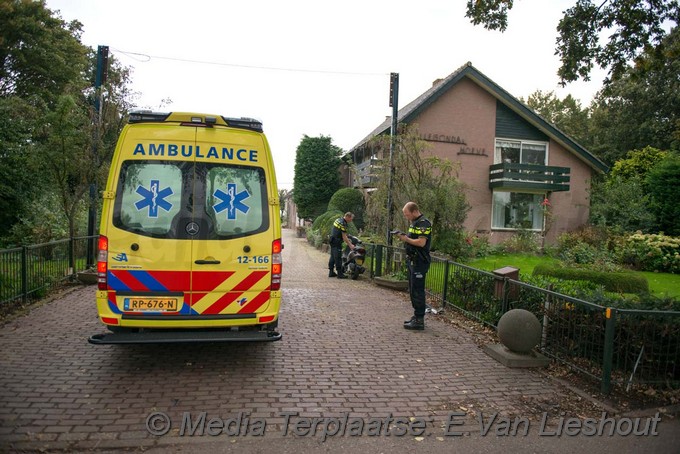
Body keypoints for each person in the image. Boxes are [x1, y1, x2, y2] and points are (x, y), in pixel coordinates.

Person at [393, 202, 432, 330]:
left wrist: (405, 239)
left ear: (415, 211)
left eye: (407, 214)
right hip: (413, 261)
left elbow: (421, 243)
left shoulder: (423, 224)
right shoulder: (415, 223)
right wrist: (404, 235)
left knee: (418, 290)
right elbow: (412, 238)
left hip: (420, 262)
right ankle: (416, 316)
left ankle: (420, 320)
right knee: (413, 289)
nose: (406, 217)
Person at [328, 212, 355, 279]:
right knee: (338, 257)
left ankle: (331, 272)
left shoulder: (338, 220)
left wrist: (346, 236)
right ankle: (340, 274)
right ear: (348, 217)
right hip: (337, 242)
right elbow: (344, 237)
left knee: (332, 256)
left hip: (332, 240)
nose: (351, 220)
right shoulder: (343, 223)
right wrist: (350, 245)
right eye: (351, 219)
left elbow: (337, 231)